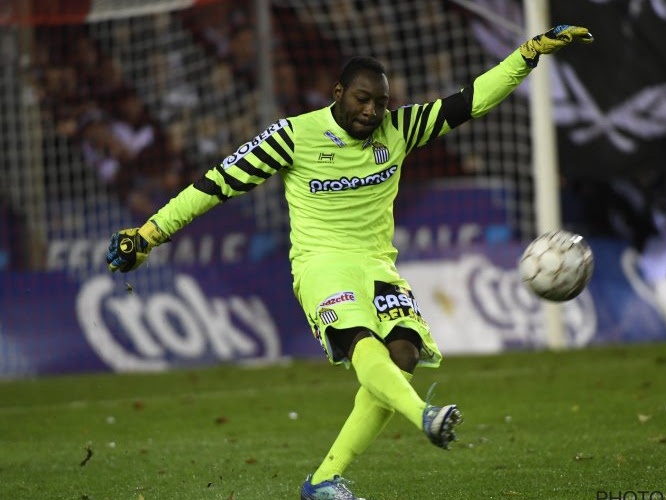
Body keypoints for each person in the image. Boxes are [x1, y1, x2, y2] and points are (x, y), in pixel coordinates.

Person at [106, 25, 593, 500]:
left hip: (378, 266)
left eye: (380, 102)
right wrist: (148, 233)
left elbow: (470, 101)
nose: (371, 110)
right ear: (338, 93)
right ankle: (424, 416)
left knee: (402, 355)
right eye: (362, 99)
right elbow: (216, 183)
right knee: (361, 342)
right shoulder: (294, 136)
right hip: (322, 265)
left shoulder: (398, 129)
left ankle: (323, 481)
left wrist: (527, 54)